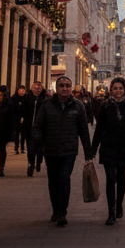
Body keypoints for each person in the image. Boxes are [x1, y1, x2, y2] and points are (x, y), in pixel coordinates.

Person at [32, 76, 92, 227]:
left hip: (69, 150)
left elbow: (84, 130)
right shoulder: (47, 105)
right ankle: (55, 208)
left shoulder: (78, 106)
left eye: (67, 86)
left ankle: (62, 212)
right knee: (53, 180)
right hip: (51, 150)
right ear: (56, 88)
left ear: (71, 88)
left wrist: (88, 153)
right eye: (61, 86)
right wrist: (38, 143)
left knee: (64, 178)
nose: (64, 88)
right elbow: (38, 126)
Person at [91, 77, 125, 225]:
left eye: (120, 88)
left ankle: (119, 203)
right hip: (108, 147)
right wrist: (92, 150)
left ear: (124, 90)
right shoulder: (105, 106)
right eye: (115, 88)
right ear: (111, 90)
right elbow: (99, 129)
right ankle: (111, 211)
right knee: (110, 179)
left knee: (121, 180)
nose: (118, 91)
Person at [19, 80, 48, 176]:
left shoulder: (45, 100)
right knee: (30, 148)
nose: (36, 90)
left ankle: (39, 162)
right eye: (35, 88)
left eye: (38, 88)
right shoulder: (27, 98)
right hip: (29, 128)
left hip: (41, 129)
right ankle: (31, 164)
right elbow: (22, 111)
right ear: (31, 88)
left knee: (40, 149)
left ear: (41, 89)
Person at [11, 85, 28, 154]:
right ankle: (16, 147)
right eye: (20, 90)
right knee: (16, 134)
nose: (21, 92)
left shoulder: (27, 98)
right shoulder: (14, 99)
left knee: (23, 134)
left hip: (24, 119)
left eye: (23, 91)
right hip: (16, 119)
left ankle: (22, 148)